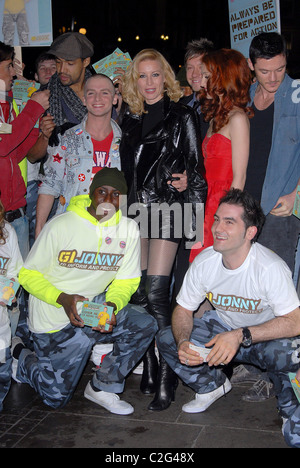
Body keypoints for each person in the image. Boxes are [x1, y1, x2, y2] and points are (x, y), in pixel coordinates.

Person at [156, 188, 300, 445]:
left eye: (229, 222)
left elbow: (295, 322)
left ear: (250, 232)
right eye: (217, 219)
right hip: (223, 332)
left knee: (292, 353)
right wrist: (183, 342)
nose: (218, 228)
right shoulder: (205, 261)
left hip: (262, 336)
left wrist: (241, 335)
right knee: (167, 337)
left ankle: (290, 411)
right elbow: (183, 310)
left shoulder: (269, 268)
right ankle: (211, 386)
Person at [11, 167, 158, 414]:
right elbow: (27, 274)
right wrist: (62, 298)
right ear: (91, 193)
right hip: (53, 315)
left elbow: (126, 281)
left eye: (116, 195)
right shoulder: (61, 225)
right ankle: (20, 356)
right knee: (55, 398)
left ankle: (103, 386)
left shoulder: (128, 229)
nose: (108, 200)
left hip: (90, 309)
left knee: (143, 323)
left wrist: (111, 306)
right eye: (102, 192)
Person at [120, 48, 207, 411]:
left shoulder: (181, 114)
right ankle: (152, 364)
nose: (150, 82)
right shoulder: (128, 117)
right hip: (137, 211)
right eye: (143, 76)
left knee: (157, 292)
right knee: (140, 293)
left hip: (169, 210)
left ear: (166, 77)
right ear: (133, 80)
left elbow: (197, 170)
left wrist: (198, 225)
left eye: (156, 75)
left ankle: (168, 372)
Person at [234, 32, 300, 401]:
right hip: (247, 211)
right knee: (247, 291)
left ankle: (277, 375)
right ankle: (251, 359)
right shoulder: (244, 99)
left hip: (279, 212)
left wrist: (297, 194)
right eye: (265, 71)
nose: (274, 78)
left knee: (278, 295)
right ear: (251, 66)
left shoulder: (297, 95)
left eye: (280, 69)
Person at [36, 74, 122, 237]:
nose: (97, 98)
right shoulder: (66, 139)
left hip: (112, 233)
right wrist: (40, 230)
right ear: (83, 99)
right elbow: (49, 185)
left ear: (115, 99)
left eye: (105, 92)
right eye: (91, 93)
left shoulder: (127, 142)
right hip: (70, 231)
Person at [189, 48, 253, 262]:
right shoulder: (216, 117)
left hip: (221, 205)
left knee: (215, 273)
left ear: (223, 78)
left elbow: (239, 177)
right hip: (204, 202)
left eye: (208, 76)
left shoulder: (237, 118)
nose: (202, 80)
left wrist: (225, 220)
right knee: (200, 272)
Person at [0, 41, 50, 259]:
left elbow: (16, 152)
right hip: (1, 217)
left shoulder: (6, 104)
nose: (14, 72)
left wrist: (36, 120)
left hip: (17, 216)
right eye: (9, 66)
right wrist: (33, 108)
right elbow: (3, 145)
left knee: (19, 286)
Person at [26, 52, 57, 247]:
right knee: (33, 237)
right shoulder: (26, 100)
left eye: (53, 67)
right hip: (31, 181)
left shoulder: (70, 98)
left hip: (57, 180)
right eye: (43, 68)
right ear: (35, 76)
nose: (48, 72)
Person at [0, 199, 23, 412]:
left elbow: (16, 271)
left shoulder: (7, 231)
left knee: (1, 375)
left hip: (1, 325)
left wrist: (8, 291)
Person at [182, 38, 214, 140]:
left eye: (200, 67)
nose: (194, 74)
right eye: (190, 68)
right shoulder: (180, 105)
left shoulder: (221, 108)